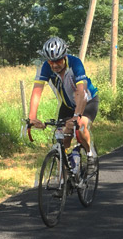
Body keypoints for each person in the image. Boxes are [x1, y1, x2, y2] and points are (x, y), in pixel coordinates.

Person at [28, 36, 99, 165]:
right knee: (62, 139)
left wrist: (76, 116)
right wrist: (32, 117)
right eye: (51, 62)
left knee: (80, 127)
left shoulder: (75, 63)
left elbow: (81, 91)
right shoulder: (45, 67)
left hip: (87, 101)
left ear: (65, 56)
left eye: (58, 61)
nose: (55, 65)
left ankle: (90, 154)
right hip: (67, 105)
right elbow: (37, 91)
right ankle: (64, 178)